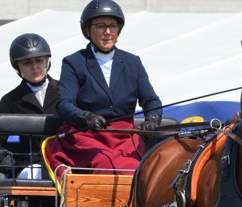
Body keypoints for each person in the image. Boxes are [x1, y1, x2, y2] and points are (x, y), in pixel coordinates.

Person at [44, 0, 162, 179]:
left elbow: (151, 100)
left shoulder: (133, 62)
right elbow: (63, 103)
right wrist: (86, 117)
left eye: (112, 26)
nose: (108, 32)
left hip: (124, 137)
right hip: (87, 135)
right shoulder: (74, 62)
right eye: (101, 26)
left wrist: (153, 117)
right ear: (88, 30)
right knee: (104, 163)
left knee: (135, 168)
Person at [0, 33, 59, 179]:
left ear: (47, 61)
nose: (34, 67)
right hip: (30, 166)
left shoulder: (67, 92)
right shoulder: (10, 100)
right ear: (17, 67)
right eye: (27, 63)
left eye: (39, 60)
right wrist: (7, 163)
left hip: (64, 162)